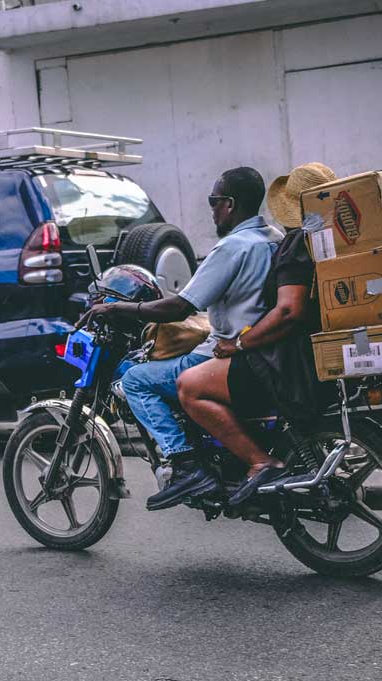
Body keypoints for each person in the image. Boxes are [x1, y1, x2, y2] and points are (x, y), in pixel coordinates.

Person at [77, 167, 281, 510]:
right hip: (264, 348)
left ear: (229, 204)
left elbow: (178, 306)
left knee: (137, 379)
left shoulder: (233, 248)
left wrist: (120, 310)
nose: (211, 209)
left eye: (213, 201)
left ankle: (186, 464)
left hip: (231, 355)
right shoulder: (272, 237)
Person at [176, 162, 338, 505]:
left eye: (214, 201)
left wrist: (239, 342)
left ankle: (260, 462)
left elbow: (288, 311)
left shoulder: (297, 244)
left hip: (287, 358)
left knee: (189, 385)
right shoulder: (326, 241)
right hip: (309, 349)